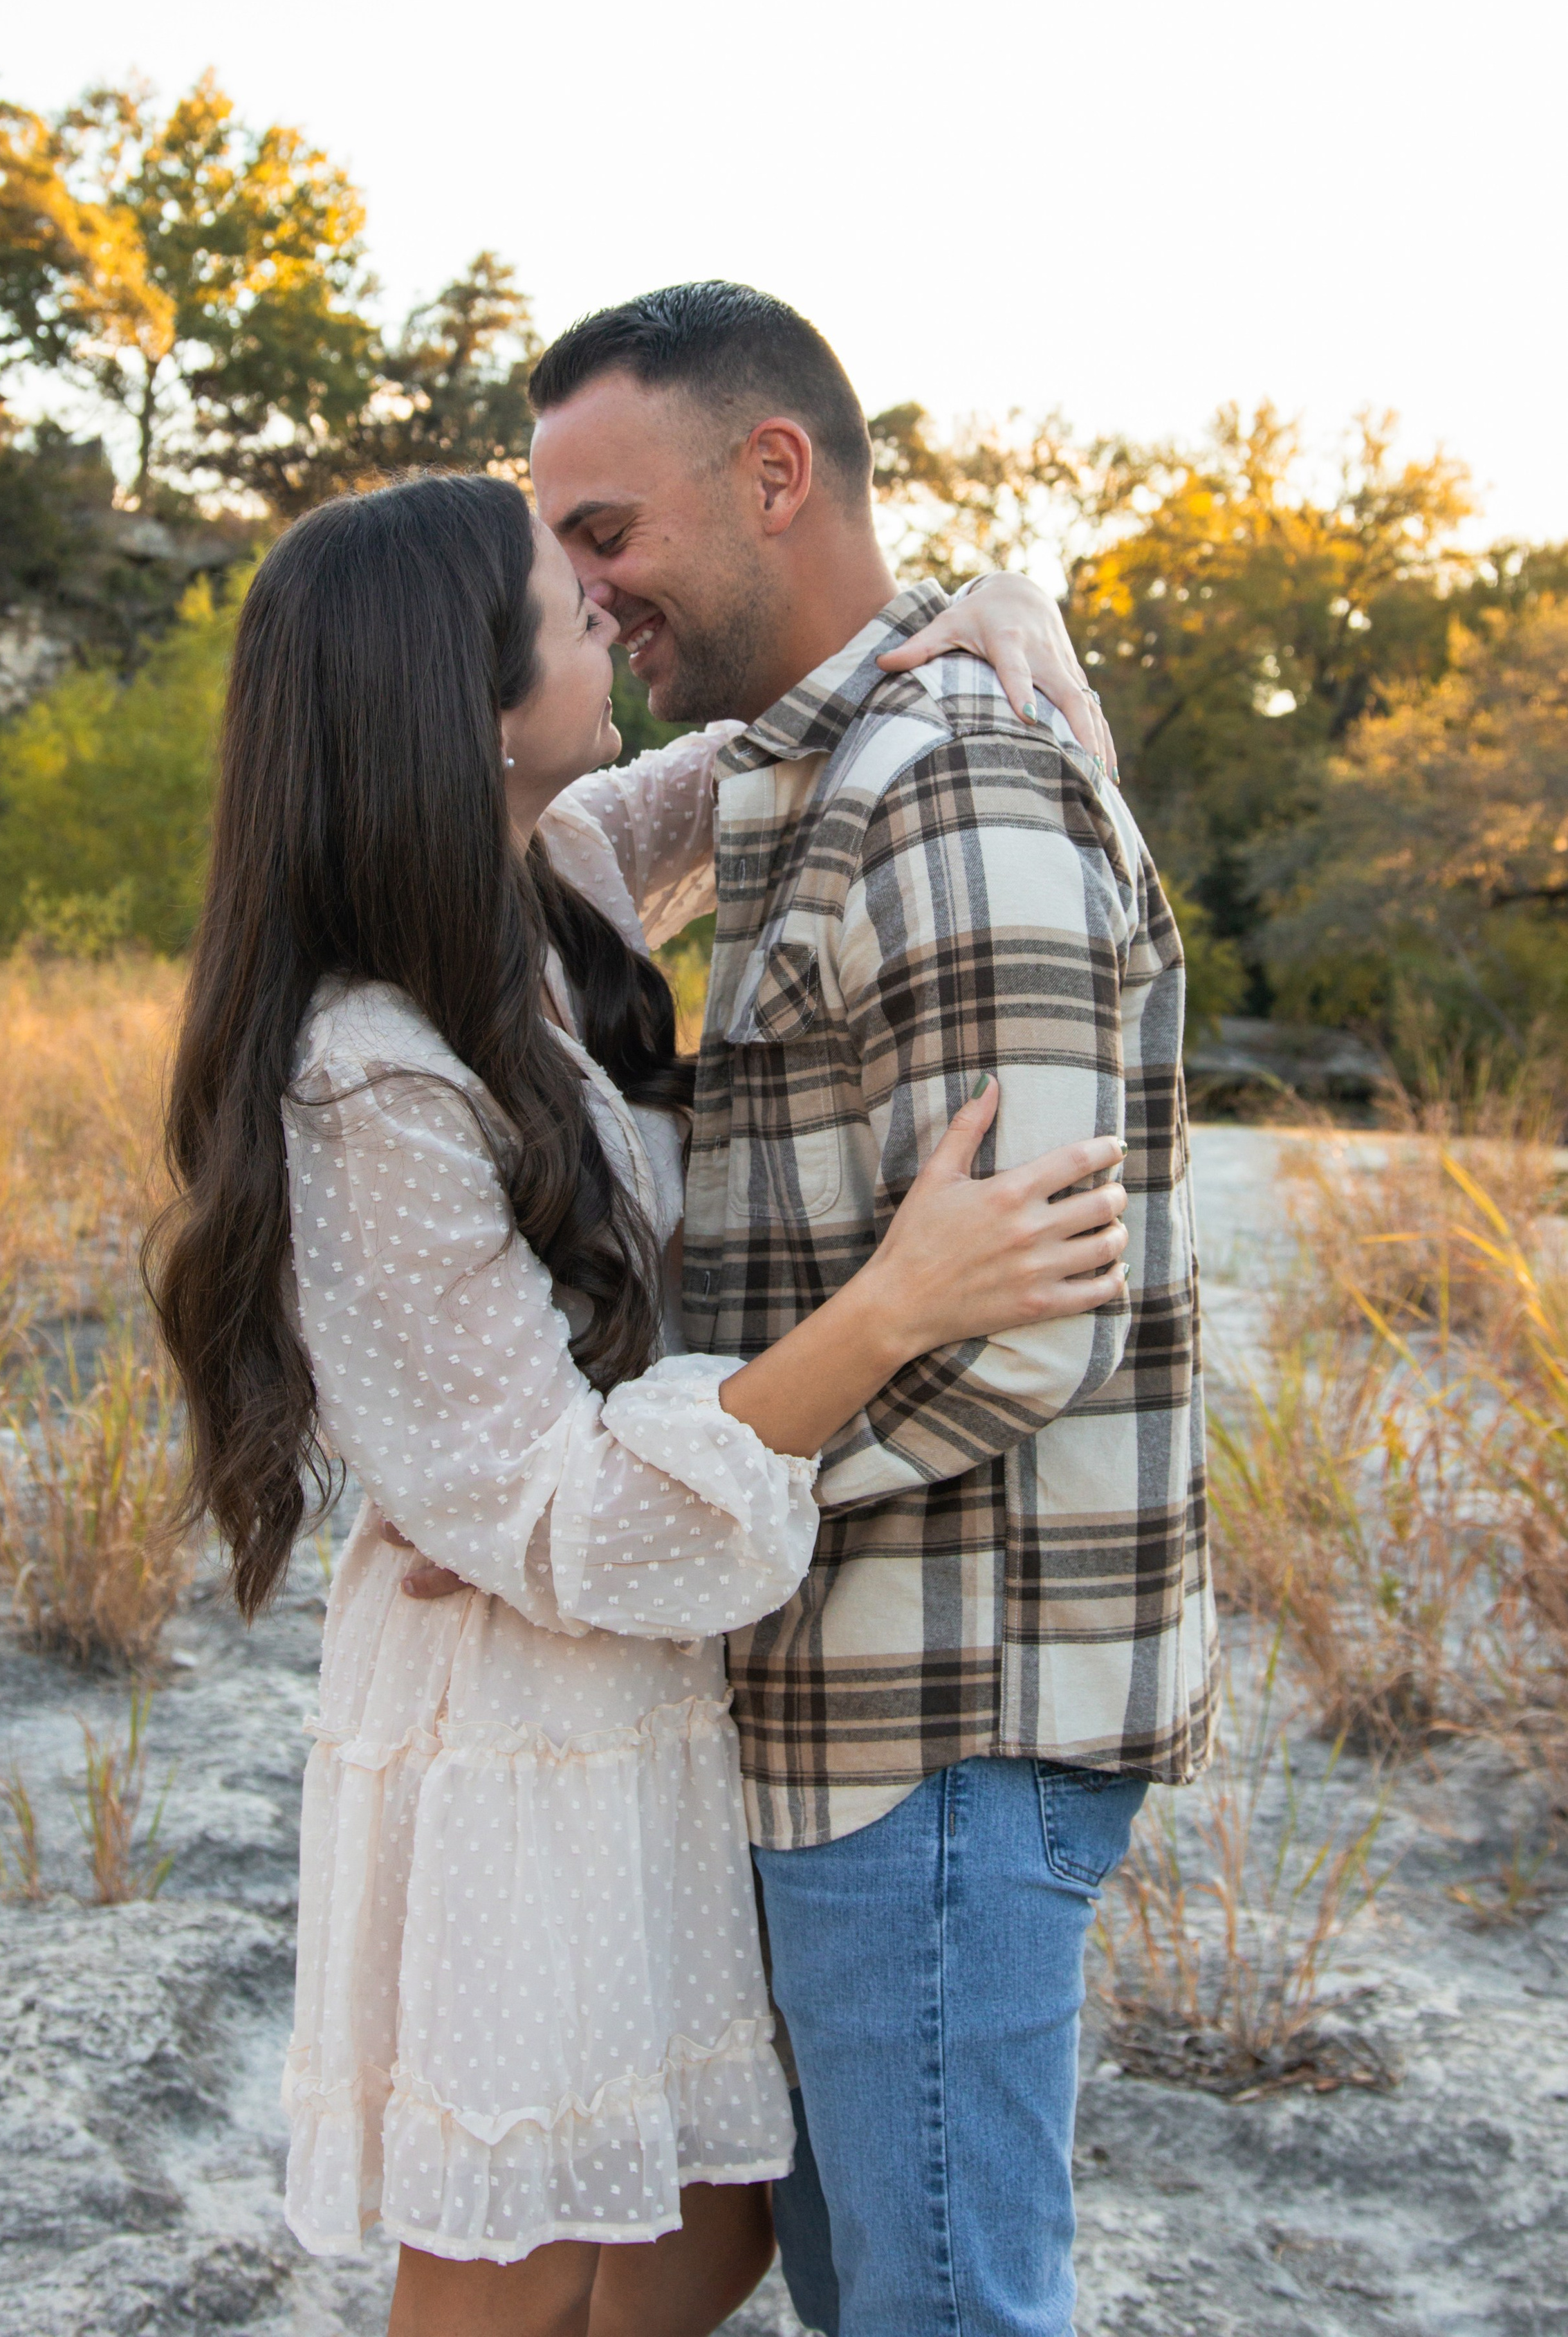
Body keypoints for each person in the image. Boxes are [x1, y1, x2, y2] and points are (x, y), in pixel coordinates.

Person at [145, 470, 1132, 2337]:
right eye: (560, 592)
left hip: (650, 1686)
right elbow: (567, 1524)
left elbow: (799, 714)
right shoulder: (362, 1075)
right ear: (463, 688)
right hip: (518, 1716)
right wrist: (896, 1303)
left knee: (707, 2229)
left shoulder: (554, 872)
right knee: (512, 2258)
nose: (603, 611)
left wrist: (1004, 592)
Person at [526, 282, 1219, 2337]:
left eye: (605, 532)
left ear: (774, 475)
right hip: (851, 1716)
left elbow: (1025, 1312)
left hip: (942, 1727)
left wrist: (711, 1506)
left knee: (939, 2314)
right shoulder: (800, 780)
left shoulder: (948, 778)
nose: (585, 591)